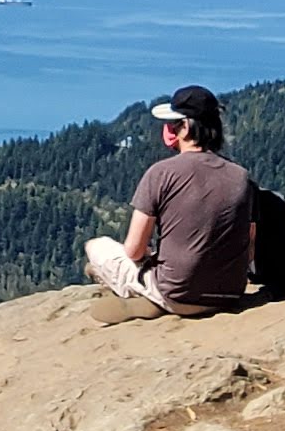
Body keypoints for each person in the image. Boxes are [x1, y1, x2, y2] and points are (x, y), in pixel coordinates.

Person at [85, 84, 257, 316]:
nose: (167, 129)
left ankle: (150, 298)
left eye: (171, 123)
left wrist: (150, 256)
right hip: (230, 293)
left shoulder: (161, 173)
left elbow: (134, 250)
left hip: (176, 292)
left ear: (185, 127)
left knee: (96, 247)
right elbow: (249, 247)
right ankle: (154, 297)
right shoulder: (241, 176)